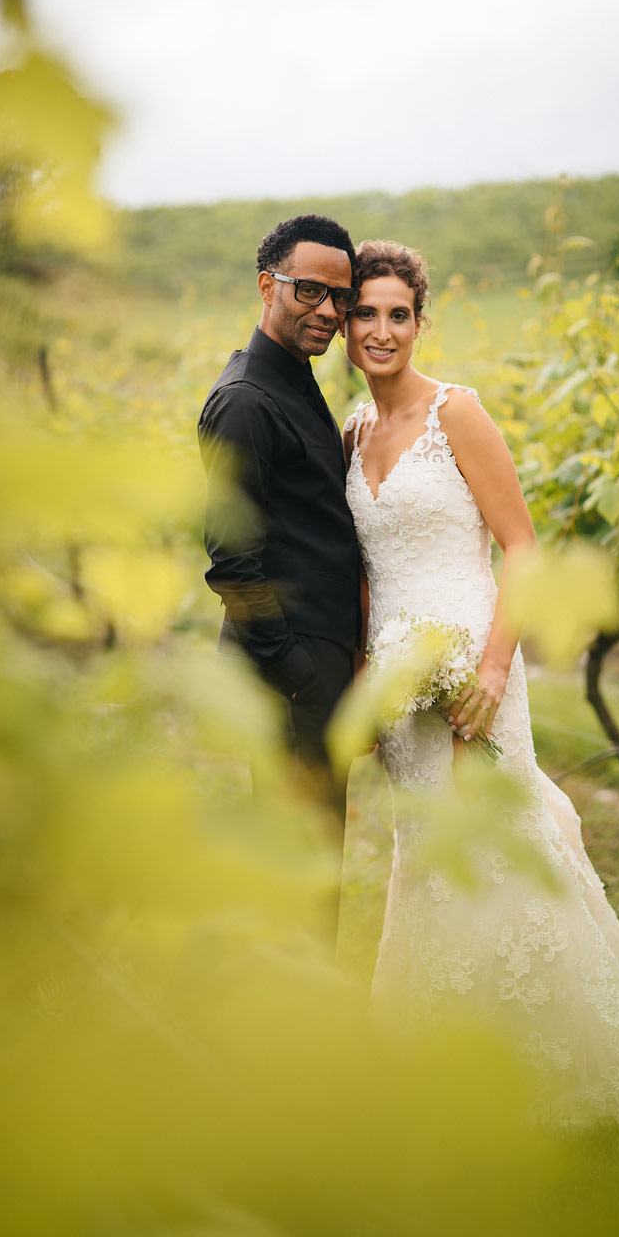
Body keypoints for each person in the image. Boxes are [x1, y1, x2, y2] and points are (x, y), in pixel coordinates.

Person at [340, 239, 619, 1144]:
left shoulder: (458, 412)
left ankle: (559, 1064)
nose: (382, 330)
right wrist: (367, 673)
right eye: (366, 313)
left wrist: (484, 669)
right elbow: (366, 567)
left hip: (477, 666)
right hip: (401, 684)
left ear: (419, 319)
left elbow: (520, 545)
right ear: (347, 325)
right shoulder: (353, 434)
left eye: (399, 312)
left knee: (505, 841)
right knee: (430, 850)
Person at [198, 216, 362, 917]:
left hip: (315, 662)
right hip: (288, 673)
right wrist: (296, 676)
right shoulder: (244, 402)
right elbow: (233, 562)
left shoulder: (293, 379)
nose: (328, 311)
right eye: (309, 291)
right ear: (268, 286)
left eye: (340, 298)